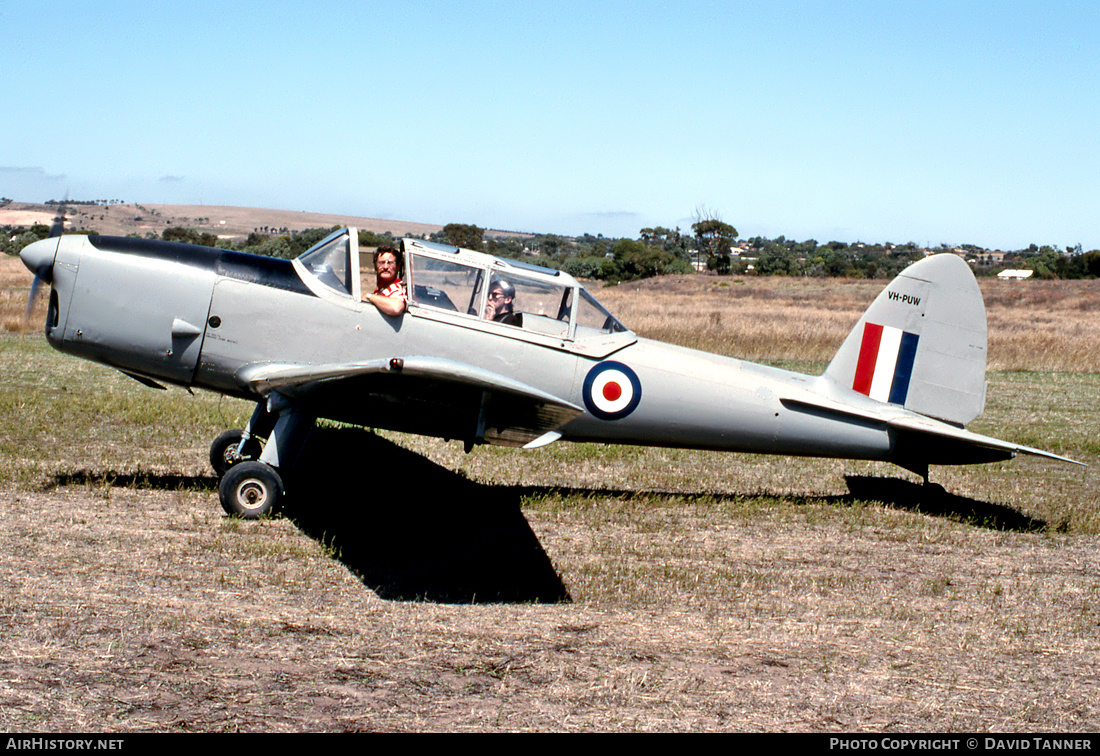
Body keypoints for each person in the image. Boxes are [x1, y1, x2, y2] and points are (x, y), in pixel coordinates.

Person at [363, 245, 407, 316]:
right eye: (381, 263)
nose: (385, 267)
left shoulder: (396, 288)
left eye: (390, 263)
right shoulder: (382, 289)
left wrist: (369, 296)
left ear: (398, 266)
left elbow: (397, 307)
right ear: (375, 266)